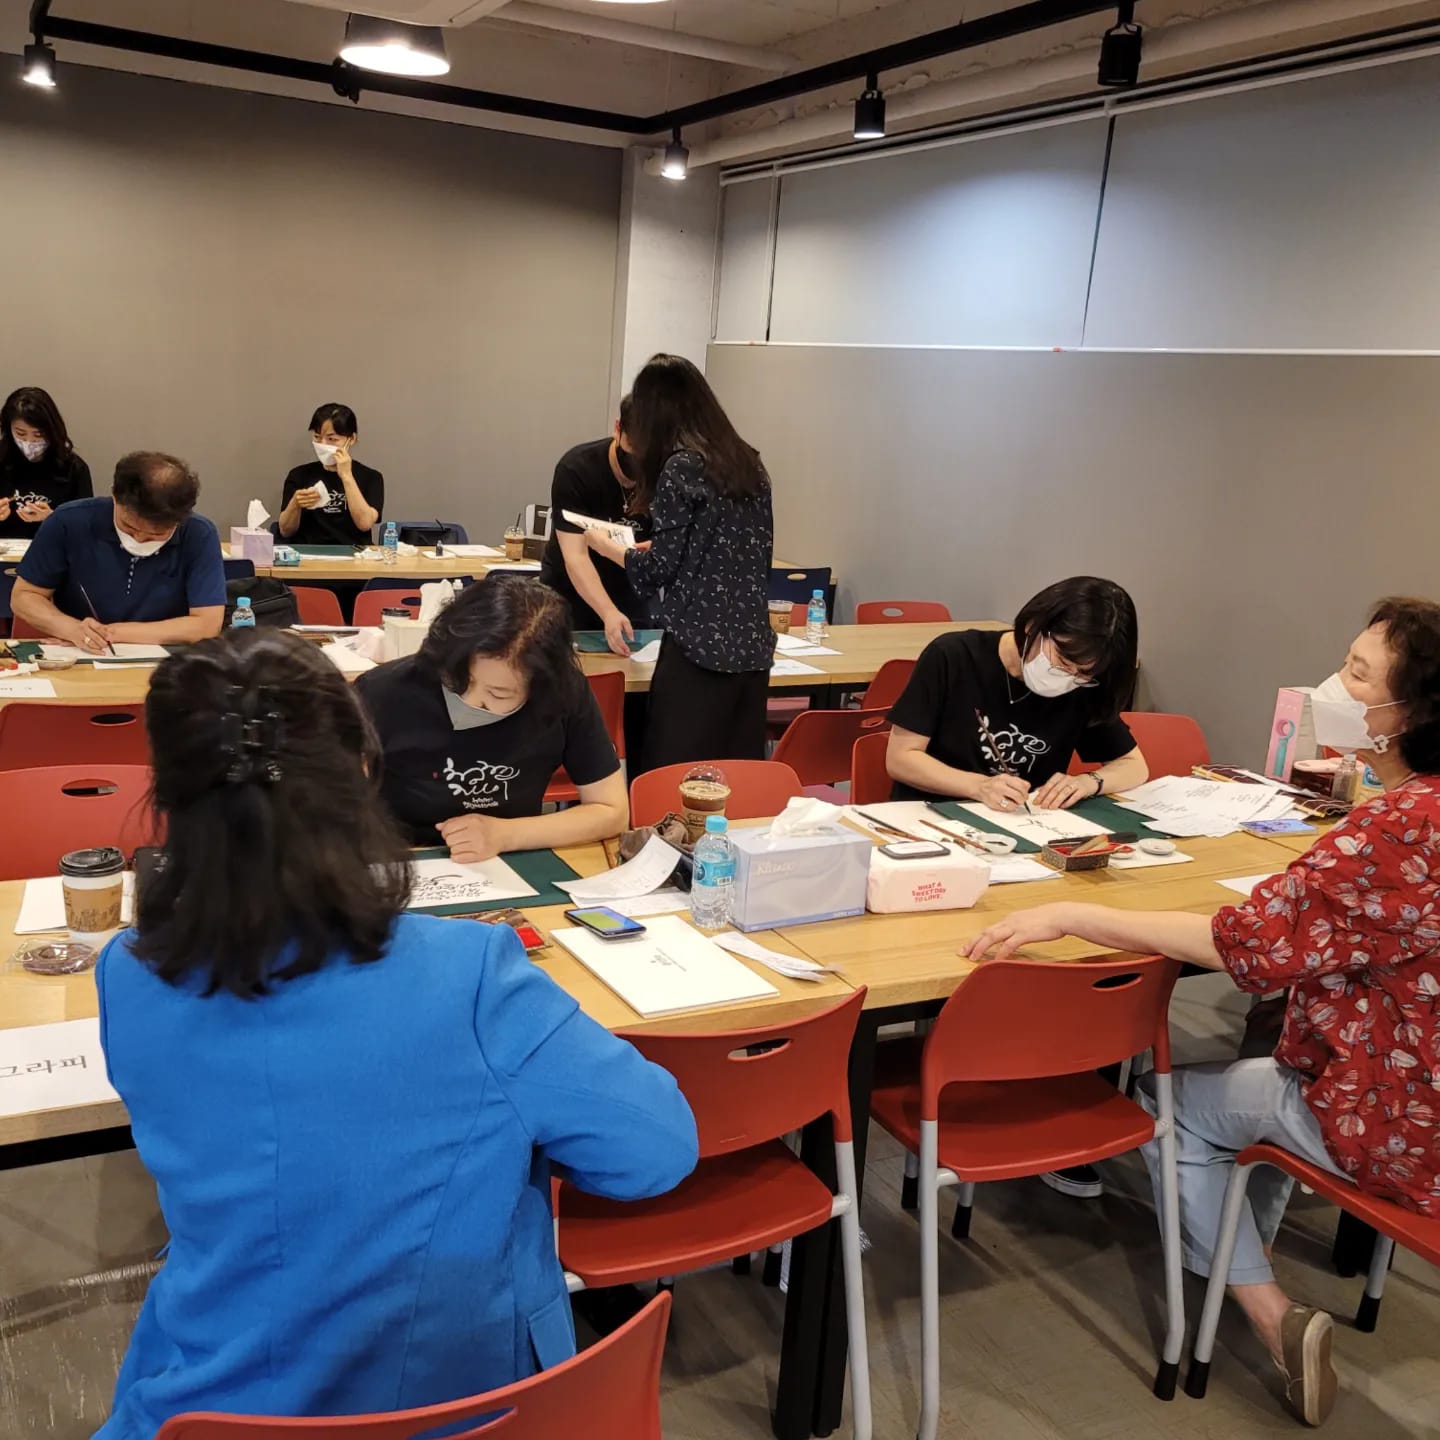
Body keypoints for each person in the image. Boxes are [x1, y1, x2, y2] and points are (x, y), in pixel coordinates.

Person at [93, 629, 696, 1440]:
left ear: (167, 795)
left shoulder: (128, 974)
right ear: (363, 773)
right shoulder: (470, 974)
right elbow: (655, 1152)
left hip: (204, 1400)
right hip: (461, 1403)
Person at [967, 596, 1440, 1428]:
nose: (1335, 684)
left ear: (1410, 715)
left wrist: (1072, 914)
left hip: (1395, 1113)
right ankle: (1237, 1242)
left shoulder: (1400, 829)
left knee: (1168, 1103)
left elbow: (1242, 946)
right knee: (1259, 1057)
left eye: (1358, 674)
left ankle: (1264, 1310)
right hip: (1412, 1082)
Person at [584, 354, 774, 772]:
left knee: (673, 778)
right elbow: (740, 550)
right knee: (735, 778)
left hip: (698, 653)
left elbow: (658, 572)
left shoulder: (681, 467)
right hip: (752, 651)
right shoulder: (748, 462)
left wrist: (608, 547)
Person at [355, 576, 628, 858]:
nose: (471, 701)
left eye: (498, 694)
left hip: (507, 861)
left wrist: (506, 835)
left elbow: (612, 811)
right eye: (459, 679)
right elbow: (337, 809)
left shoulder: (562, 694)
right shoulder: (385, 692)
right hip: (401, 858)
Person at [887, 576, 1150, 811]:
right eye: (1062, 661)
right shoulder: (953, 656)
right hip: (933, 815)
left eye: (1083, 673)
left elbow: (1134, 765)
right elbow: (901, 759)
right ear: (1034, 626)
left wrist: (1087, 782)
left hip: (1022, 822)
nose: (1068, 677)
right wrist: (978, 786)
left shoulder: (1083, 687)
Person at [12, 451, 225, 649]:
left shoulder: (198, 534)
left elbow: (206, 624)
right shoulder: (68, 522)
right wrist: (71, 628)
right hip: (79, 653)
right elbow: (25, 596)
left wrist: (113, 633)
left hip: (165, 660)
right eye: (129, 527)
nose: (140, 538)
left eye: (157, 534)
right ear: (115, 496)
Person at [540, 395, 652, 655]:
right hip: (570, 591)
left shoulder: (665, 474)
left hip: (629, 590)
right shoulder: (576, 469)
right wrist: (607, 611)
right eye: (633, 449)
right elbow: (576, 557)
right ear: (617, 428)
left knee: (635, 669)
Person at [277, 403, 383, 546]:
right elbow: (285, 531)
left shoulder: (371, 477)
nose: (323, 444)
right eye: (317, 437)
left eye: (332, 439)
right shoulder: (299, 474)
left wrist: (346, 476)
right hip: (308, 553)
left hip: (354, 553)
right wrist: (295, 504)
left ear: (351, 439)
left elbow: (365, 523)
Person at [0, 386, 93, 540]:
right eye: (20, 433)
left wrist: (53, 518)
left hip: (53, 549)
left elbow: (85, 528)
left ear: (52, 430)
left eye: (38, 435)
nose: (29, 442)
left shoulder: (74, 468)